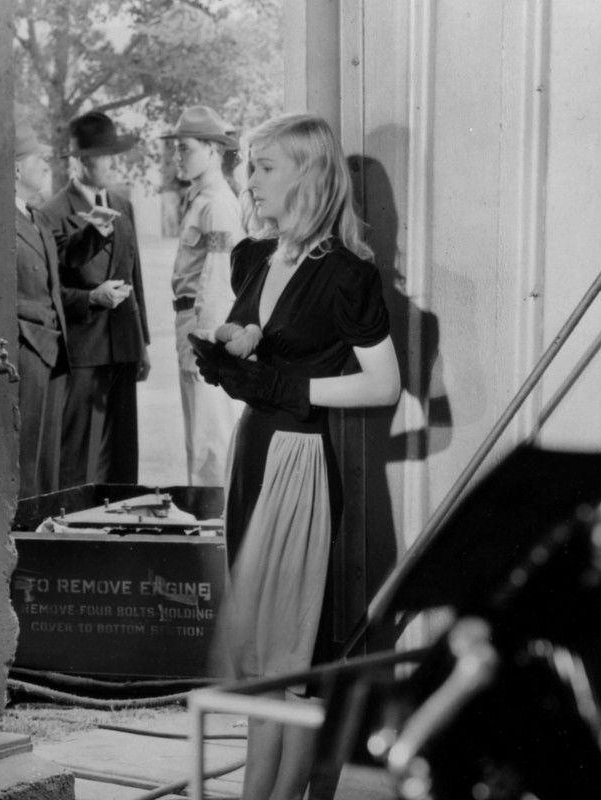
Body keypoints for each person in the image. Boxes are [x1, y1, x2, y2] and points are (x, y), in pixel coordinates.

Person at [193, 113, 402, 800]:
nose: (249, 179)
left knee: (291, 654)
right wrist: (233, 350)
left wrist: (289, 386)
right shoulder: (254, 256)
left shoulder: (345, 274)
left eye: (264, 167)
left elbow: (384, 384)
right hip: (254, 452)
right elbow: (259, 336)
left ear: (307, 174)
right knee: (260, 652)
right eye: (249, 166)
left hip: (299, 459)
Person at [42, 111, 150, 487]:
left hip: (123, 346)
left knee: (122, 455)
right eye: (105, 157)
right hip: (83, 351)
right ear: (81, 161)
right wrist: (91, 298)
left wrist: (142, 344)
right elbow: (49, 292)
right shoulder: (52, 214)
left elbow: (134, 276)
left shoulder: (122, 204)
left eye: (114, 155)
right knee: (79, 456)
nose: (113, 164)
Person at [160, 106, 247, 487]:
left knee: (211, 439)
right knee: (200, 436)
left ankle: (216, 518)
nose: (177, 156)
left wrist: (207, 343)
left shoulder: (218, 204)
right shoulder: (200, 198)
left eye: (186, 148)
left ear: (213, 150)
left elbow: (219, 280)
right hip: (190, 323)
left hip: (204, 327)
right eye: (176, 148)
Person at [11, 130, 98, 499]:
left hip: (52, 351)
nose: (47, 166)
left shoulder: (34, 216)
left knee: (47, 459)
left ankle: (41, 523)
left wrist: (95, 232)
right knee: (25, 457)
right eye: (39, 159)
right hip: (25, 349)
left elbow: (57, 269)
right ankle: (25, 527)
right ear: (16, 169)